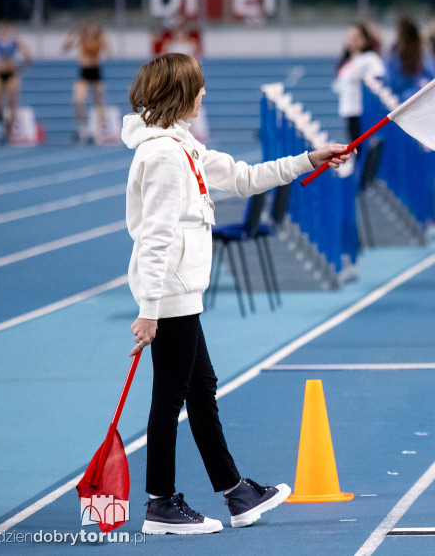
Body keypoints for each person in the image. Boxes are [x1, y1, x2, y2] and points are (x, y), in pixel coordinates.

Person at [123, 53, 352, 535]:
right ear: (180, 93)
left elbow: (246, 178)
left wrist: (312, 158)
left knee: (200, 390)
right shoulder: (164, 155)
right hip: (171, 295)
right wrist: (149, 309)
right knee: (170, 399)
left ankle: (235, 493)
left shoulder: (183, 145)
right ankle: (160, 503)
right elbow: (157, 235)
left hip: (183, 292)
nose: (205, 93)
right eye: (199, 86)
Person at [63, 21, 111, 143]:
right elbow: (65, 49)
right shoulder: (81, 39)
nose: (91, 32)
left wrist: (105, 41)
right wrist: (70, 36)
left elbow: (110, 54)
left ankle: (97, 132)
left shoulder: (99, 39)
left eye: (93, 29)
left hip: (96, 71)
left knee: (99, 102)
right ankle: (82, 129)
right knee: (78, 100)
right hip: (84, 71)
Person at [335, 21, 383, 142]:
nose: (352, 40)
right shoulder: (347, 62)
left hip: (362, 112)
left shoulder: (370, 58)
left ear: (364, 40)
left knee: (361, 147)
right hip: (349, 110)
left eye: (356, 37)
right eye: (350, 37)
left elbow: (379, 78)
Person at [0, 22, 32, 143]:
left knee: (12, 104)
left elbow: (29, 58)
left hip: (12, 75)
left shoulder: (15, 41)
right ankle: (4, 123)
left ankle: (8, 133)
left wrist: (20, 42)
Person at [384, 17, 435, 99]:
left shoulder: (423, 55)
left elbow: (434, 78)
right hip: (410, 98)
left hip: (413, 99)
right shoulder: (395, 55)